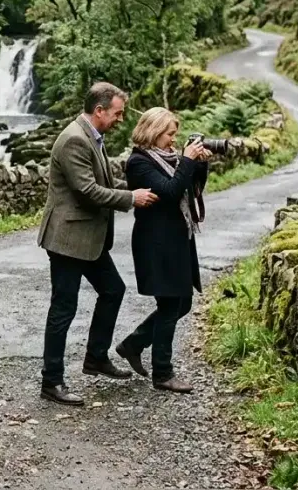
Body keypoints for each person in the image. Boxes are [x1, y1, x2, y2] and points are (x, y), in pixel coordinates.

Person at [36, 82, 159, 406]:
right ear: (100, 110)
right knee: (63, 308)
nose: (120, 119)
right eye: (117, 113)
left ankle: (95, 357)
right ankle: (52, 381)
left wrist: (146, 185)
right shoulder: (75, 140)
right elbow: (88, 191)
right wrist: (132, 198)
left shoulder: (92, 136)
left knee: (113, 290)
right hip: (67, 239)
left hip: (87, 239)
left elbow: (104, 182)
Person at [116, 107, 211, 394]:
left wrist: (200, 164)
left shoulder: (170, 159)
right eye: (169, 134)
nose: (173, 140)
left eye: (175, 135)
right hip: (156, 244)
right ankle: (163, 373)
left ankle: (133, 344)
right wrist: (187, 161)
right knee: (171, 304)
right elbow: (169, 193)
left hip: (177, 240)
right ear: (154, 132)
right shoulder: (138, 163)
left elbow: (189, 189)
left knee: (182, 303)